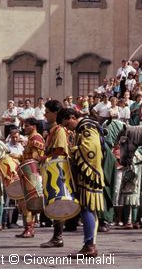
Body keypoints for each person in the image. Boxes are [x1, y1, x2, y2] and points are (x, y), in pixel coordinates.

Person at [57, 108, 105, 258]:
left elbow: (91, 149)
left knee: (88, 208)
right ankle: (89, 244)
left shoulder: (86, 127)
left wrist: (72, 151)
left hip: (89, 174)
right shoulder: (83, 127)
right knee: (87, 209)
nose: (67, 128)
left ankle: (90, 245)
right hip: (87, 174)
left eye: (67, 124)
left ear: (72, 117)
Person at [39, 100, 70, 248]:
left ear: (55, 113)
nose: (45, 114)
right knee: (55, 202)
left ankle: (58, 237)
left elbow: (60, 150)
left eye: (47, 111)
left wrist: (44, 158)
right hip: (53, 171)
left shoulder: (59, 131)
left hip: (58, 171)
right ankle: (57, 236)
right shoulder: (54, 130)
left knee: (58, 202)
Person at [15, 117, 45, 239]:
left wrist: (19, 157)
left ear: (34, 126)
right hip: (28, 173)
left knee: (29, 201)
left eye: (26, 125)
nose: (24, 128)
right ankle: (28, 228)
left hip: (33, 173)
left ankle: (29, 228)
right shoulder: (31, 139)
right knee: (25, 201)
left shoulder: (36, 138)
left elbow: (36, 157)